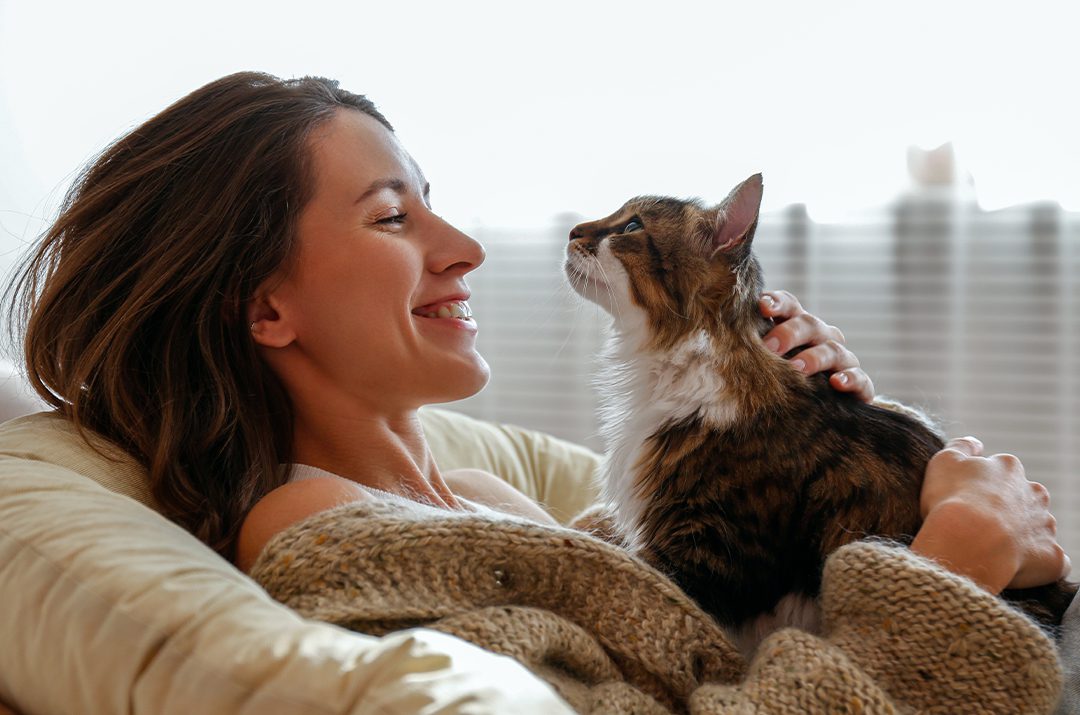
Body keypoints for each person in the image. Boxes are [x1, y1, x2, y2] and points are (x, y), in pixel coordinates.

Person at [7, 71, 1070, 711]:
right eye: (392, 219)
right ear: (263, 308)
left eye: (438, 205)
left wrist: (802, 459)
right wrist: (944, 572)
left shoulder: (477, 492)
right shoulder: (325, 530)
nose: (463, 247)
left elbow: (691, 628)